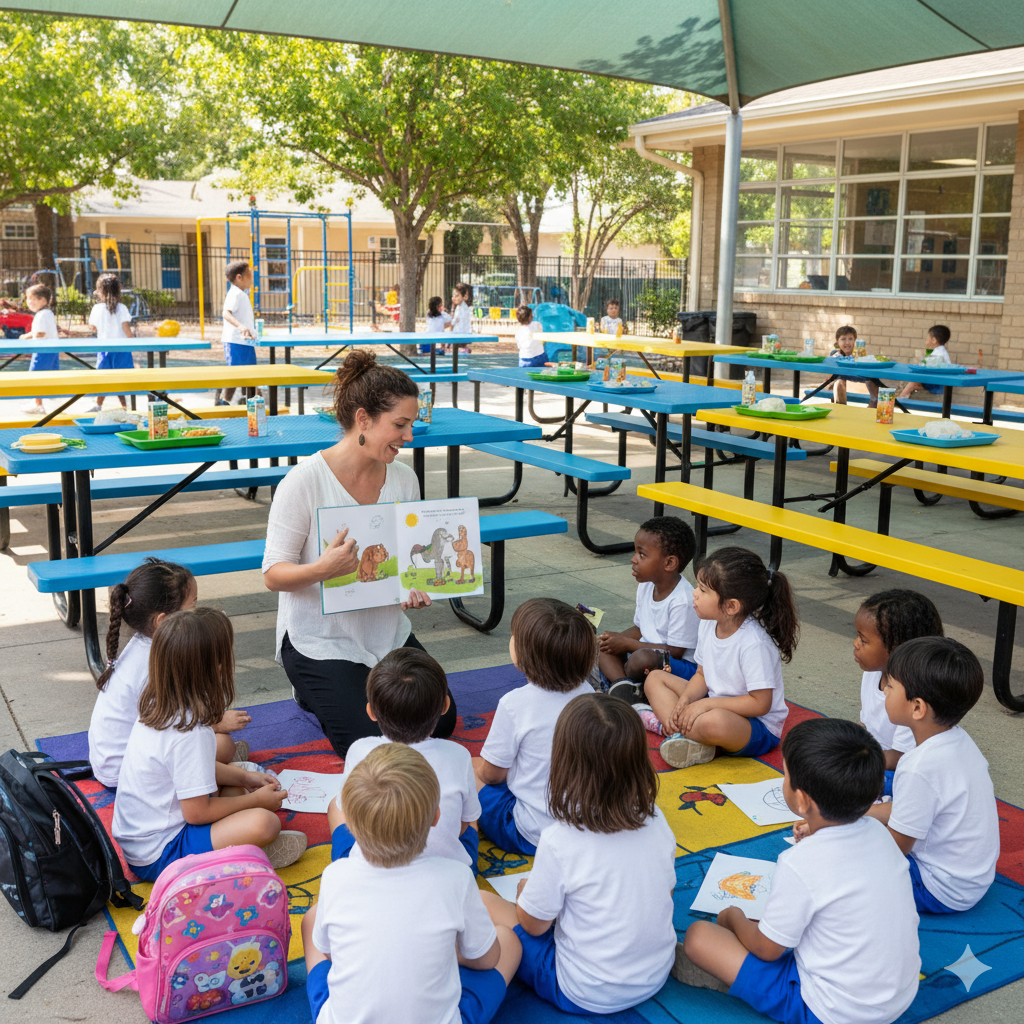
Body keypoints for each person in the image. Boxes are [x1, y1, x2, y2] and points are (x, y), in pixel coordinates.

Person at [263, 350, 455, 758]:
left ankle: (349, 686)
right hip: (319, 639)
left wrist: (416, 587)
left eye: (411, 425)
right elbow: (273, 574)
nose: (409, 437)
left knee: (440, 720)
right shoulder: (304, 481)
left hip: (385, 632)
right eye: (400, 425)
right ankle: (309, 689)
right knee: (368, 742)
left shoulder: (404, 478)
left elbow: (406, 561)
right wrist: (322, 568)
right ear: (363, 419)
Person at [677, 718, 920, 1024]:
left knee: (699, 936)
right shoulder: (880, 833)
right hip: (900, 996)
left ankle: (736, 980)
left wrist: (733, 917)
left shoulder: (800, 861)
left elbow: (767, 950)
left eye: (785, 775)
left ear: (803, 799)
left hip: (832, 1012)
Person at [481, 693, 676, 1015]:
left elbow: (533, 926)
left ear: (562, 763)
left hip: (582, 990)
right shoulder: (656, 818)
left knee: (483, 902)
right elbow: (664, 892)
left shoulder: (560, 840)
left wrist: (525, 893)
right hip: (656, 974)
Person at [302, 743, 521, 1024]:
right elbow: (487, 959)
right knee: (509, 942)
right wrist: (452, 954)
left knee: (311, 921)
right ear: (436, 818)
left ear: (350, 826)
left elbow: (330, 951)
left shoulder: (335, 876)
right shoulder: (456, 876)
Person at [111, 608, 306, 881]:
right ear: (216, 668)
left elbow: (197, 768)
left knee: (235, 786)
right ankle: (244, 856)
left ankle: (237, 843)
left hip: (145, 840)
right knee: (265, 823)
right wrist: (256, 800)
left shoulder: (161, 703)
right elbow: (197, 813)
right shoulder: (190, 732)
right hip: (160, 855)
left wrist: (245, 776)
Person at [88, 558, 251, 789]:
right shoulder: (154, 665)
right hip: (127, 775)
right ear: (162, 621)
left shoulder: (146, 645)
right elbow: (166, 728)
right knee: (223, 745)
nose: (197, 614)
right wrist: (216, 724)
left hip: (112, 765)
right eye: (193, 606)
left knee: (217, 744)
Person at [867, 637, 998, 913]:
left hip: (937, 887)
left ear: (917, 707)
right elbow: (913, 805)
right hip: (972, 879)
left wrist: (837, 828)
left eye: (889, 686)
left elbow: (895, 847)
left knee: (842, 862)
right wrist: (864, 813)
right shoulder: (958, 740)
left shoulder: (919, 767)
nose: (884, 691)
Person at [642, 546, 798, 769]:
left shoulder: (754, 643)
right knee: (655, 679)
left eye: (703, 590)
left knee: (714, 721)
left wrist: (706, 705)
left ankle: (679, 729)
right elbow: (702, 674)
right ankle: (683, 730)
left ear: (731, 606)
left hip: (755, 726)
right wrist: (686, 700)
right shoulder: (707, 623)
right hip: (713, 704)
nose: (694, 593)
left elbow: (760, 704)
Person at [328, 647, 480, 868]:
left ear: (371, 712)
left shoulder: (360, 750)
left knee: (336, 805)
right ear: (445, 706)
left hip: (370, 870)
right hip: (449, 871)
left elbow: (352, 818)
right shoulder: (458, 755)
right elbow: (465, 823)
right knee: (472, 818)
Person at [473, 598, 595, 856]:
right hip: (586, 830)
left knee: (469, 769)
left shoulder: (514, 704)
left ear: (523, 654)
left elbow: (492, 776)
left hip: (530, 832)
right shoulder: (589, 694)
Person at [853, 590, 944, 796]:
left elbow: (900, 756)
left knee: (841, 780)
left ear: (897, 649)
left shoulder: (913, 693)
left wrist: (857, 759)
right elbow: (865, 724)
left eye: (863, 640)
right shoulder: (873, 673)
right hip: (878, 759)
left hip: (903, 770)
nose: (855, 643)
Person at [599, 516, 699, 701]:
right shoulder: (646, 585)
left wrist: (627, 644)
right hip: (643, 652)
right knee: (604, 647)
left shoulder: (683, 601)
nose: (633, 559)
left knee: (641, 659)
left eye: (641, 554)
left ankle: (625, 688)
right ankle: (624, 687)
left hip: (677, 666)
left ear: (669, 563)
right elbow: (640, 629)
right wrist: (613, 639)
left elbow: (674, 653)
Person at [86, 273, 134, 413]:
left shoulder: (97, 309)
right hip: (122, 349)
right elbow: (127, 331)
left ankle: (99, 405)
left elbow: (92, 328)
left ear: (99, 291)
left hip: (104, 349)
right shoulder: (122, 308)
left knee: (103, 379)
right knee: (122, 379)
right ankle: (126, 407)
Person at [21, 283, 66, 416]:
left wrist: (27, 337)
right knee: (45, 377)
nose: (30, 302)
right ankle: (42, 403)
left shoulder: (41, 315)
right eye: (28, 298)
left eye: (33, 299)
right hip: (51, 351)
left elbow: (40, 334)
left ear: (43, 300)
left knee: (36, 377)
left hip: (42, 351)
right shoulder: (47, 313)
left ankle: (38, 405)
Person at [216, 259, 257, 406]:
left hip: (244, 342)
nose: (252, 277)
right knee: (236, 377)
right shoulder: (235, 294)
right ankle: (222, 405)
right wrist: (240, 326)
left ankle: (256, 407)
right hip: (235, 342)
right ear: (239, 277)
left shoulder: (241, 293)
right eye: (250, 274)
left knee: (251, 377)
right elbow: (226, 314)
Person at [830, 325, 879, 408]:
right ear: (837, 341)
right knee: (838, 382)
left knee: (872, 380)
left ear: (855, 341)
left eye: (850, 339)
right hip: (843, 382)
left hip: (862, 380)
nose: (847, 342)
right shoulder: (836, 356)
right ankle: (841, 409)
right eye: (843, 339)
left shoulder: (859, 354)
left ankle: (873, 404)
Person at [901, 325, 952, 399]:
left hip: (938, 384)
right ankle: (905, 395)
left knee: (914, 379)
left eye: (927, 339)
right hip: (939, 382)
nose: (926, 342)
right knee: (914, 384)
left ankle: (901, 396)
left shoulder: (938, 355)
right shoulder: (940, 351)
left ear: (934, 340)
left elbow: (923, 368)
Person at [448, 281, 473, 354]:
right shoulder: (460, 307)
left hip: (459, 337)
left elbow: (453, 324)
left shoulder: (461, 309)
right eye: (454, 295)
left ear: (464, 296)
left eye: (457, 295)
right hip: (461, 336)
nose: (454, 298)